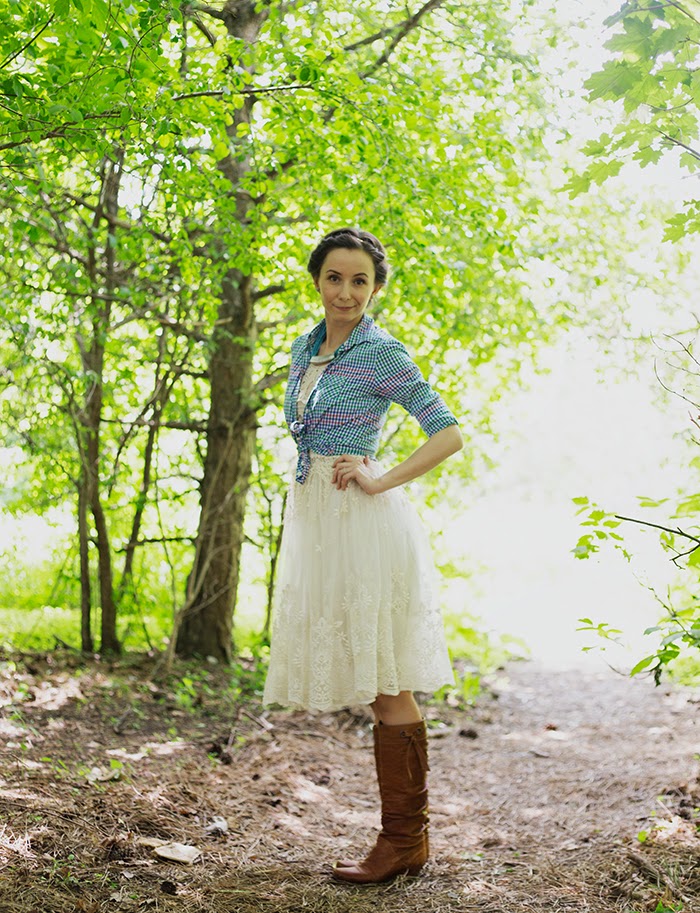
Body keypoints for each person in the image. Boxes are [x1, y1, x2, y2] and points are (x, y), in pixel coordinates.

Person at [262, 227, 463, 884]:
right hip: (320, 518)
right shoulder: (306, 344)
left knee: (384, 681)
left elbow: (448, 433)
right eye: (334, 278)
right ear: (317, 281)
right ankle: (407, 839)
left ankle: (404, 839)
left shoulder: (380, 352)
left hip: (362, 520)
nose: (346, 291)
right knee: (375, 681)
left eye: (359, 281)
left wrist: (379, 476)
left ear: (375, 288)